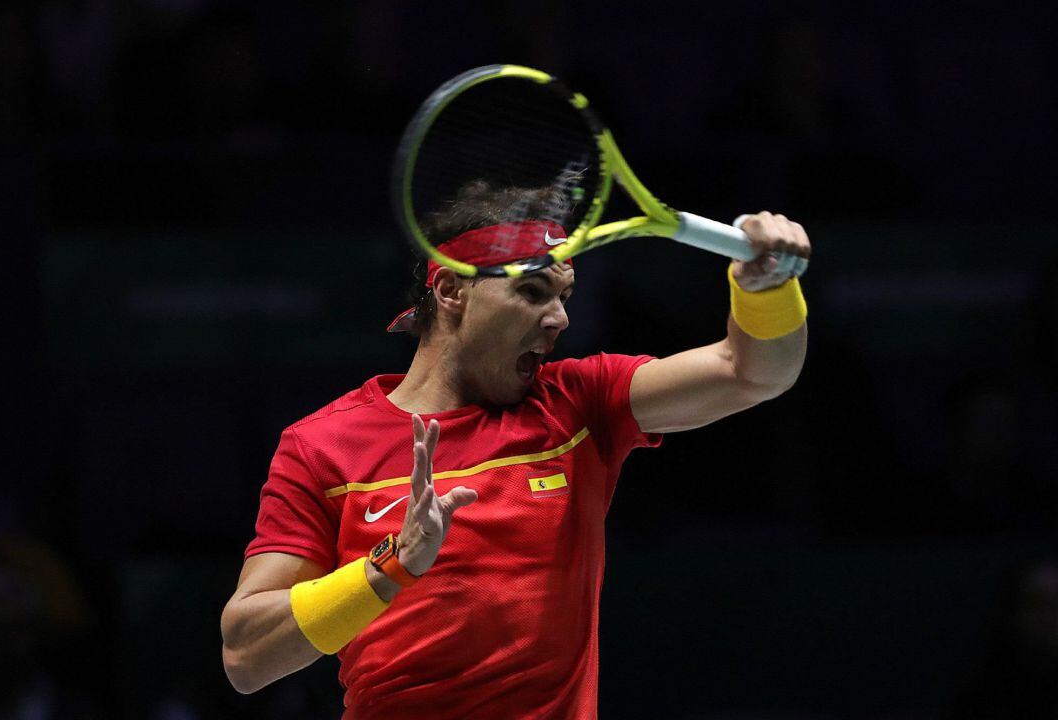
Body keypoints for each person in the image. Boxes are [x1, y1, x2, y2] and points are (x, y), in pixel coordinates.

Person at [220, 180, 811, 719]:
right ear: (451, 289)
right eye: (532, 291)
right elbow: (246, 655)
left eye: (565, 295)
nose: (558, 319)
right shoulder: (323, 445)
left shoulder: (580, 405)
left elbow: (754, 372)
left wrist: (768, 288)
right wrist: (393, 564)